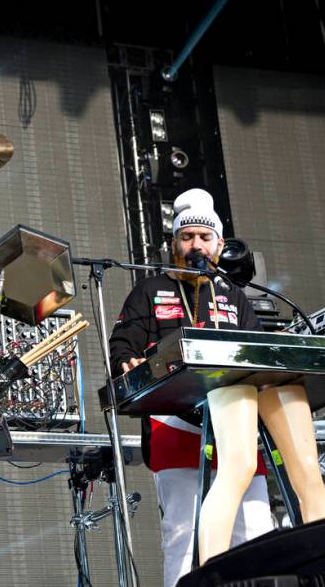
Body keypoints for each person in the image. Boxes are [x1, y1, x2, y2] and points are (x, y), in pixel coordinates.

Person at [109, 188, 275, 587]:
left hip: (237, 423)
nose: (195, 245)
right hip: (173, 424)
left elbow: (259, 353)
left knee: (254, 530)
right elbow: (122, 346)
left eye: (204, 238)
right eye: (187, 238)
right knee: (183, 534)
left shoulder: (236, 295)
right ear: (173, 245)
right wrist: (128, 363)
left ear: (218, 246)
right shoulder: (148, 290)